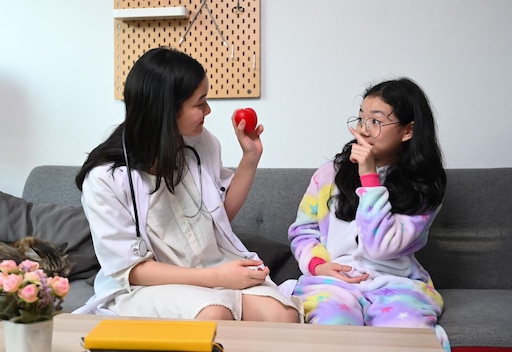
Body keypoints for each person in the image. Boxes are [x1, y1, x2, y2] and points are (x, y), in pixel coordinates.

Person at [74, 47, 301, 323]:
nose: (208, 110)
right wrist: (217, 278)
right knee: (214, 315)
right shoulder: (104, 179)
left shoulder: (201, 142)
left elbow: (220, 218)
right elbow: (130, 270)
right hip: (148, 286)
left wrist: (250, 157)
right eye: (199, 103)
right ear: (166, 109)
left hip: (214, 268)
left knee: (283, 316)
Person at [282, 77, 450, 351]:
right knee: (332, 328)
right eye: (361, 119)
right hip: (334, 283)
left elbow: (381, 247)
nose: (364, 129)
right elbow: (303, 231)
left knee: (407, 337)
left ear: (408, 131)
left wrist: (369, 177)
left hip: (396, 284)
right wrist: (318, 266)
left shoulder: (425, 186)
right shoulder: (330, 173)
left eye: (376, 121)